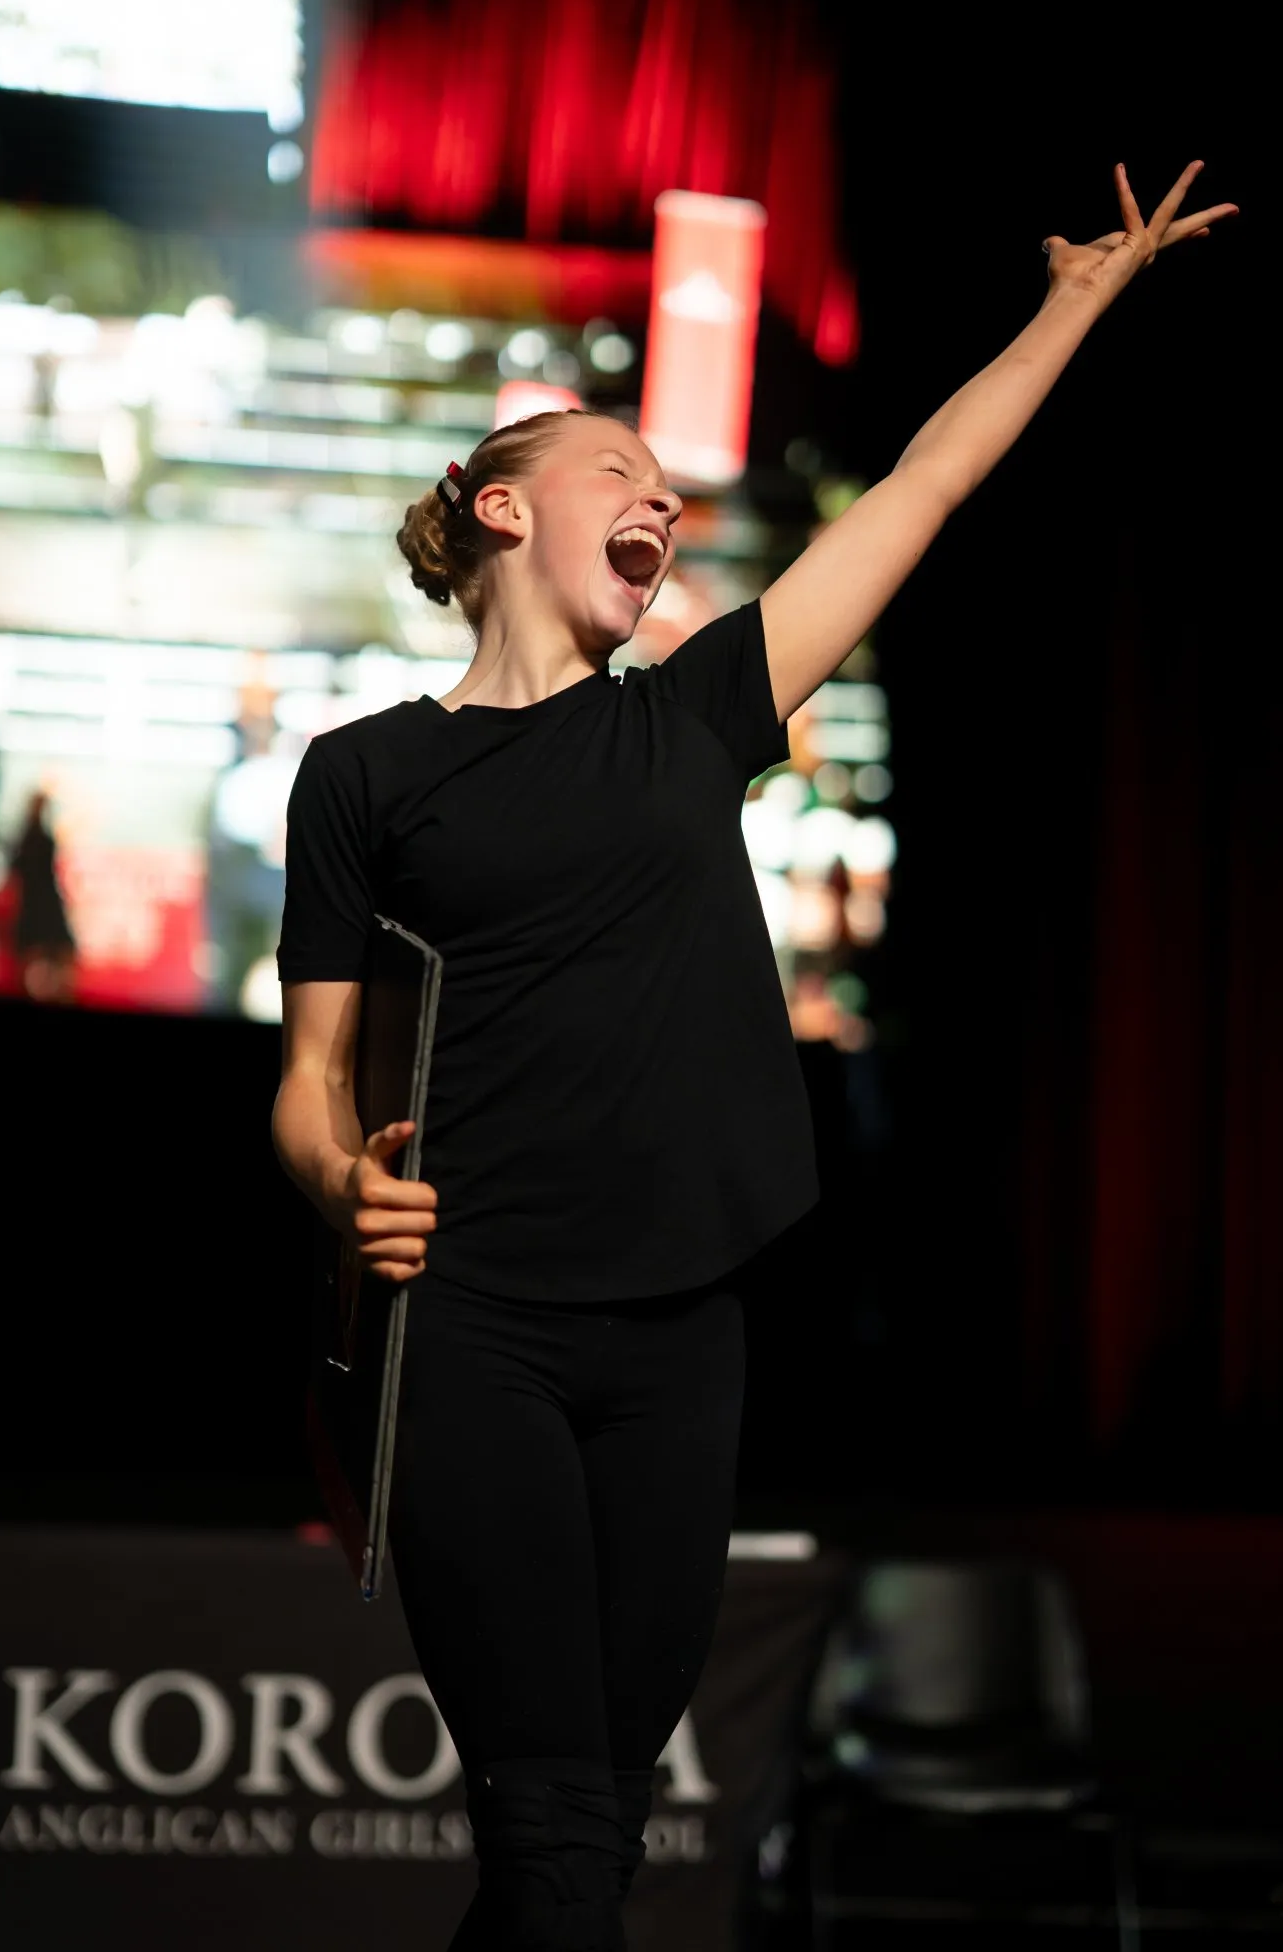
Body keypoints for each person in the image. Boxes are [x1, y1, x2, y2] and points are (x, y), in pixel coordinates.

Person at [272, 162, 1235, 1949]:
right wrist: (344, 1185)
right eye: (616, 468)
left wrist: (1075, 308)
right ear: (497, 505)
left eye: (668, 482)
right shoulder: (367, 776)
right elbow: (309, 1080)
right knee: (558, 1831)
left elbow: (931, 481)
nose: (662, 493)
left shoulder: (702, 710)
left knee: (592, 1833)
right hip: (472, 1323)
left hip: (680, 1331)